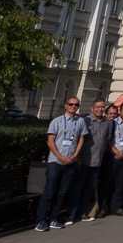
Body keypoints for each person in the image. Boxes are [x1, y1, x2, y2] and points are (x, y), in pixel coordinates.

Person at [35, 97, 86, 232]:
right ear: (66, 106)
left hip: (70, 162)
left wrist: (75, 155)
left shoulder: (80, 121)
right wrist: (59, 157)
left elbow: (81, 139)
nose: (73, 106)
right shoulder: (56, 121)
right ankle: (40, 220)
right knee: (49, 192)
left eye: (76, 104)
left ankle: (54, 218)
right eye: (71, 104)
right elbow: (50, 141)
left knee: (62, 192)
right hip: (56, 162)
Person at [68, 99, 110, 223]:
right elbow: (77, 140)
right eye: (97, 107)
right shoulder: (85, 121)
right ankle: (71, 214)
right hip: (84, 161)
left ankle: (82, 212)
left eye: (102, 107)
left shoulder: (106, 123)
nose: (100, 109)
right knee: (77, 189)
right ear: (92, 108)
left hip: (97, 161)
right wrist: (78, 158)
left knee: (88, 189)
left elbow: (105, 141)